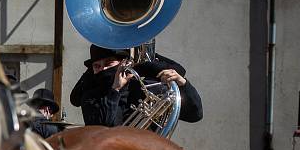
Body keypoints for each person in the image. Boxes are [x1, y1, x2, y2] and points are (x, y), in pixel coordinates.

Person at [70, 44, 202, 127]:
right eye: (97, 66)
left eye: (109, 63)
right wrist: (115, 90)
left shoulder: (147, 88)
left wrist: (183, 84)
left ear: (124, 63)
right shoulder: (90, 96)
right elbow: (104, 132)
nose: (103, 69)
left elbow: (194, 115)